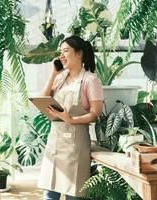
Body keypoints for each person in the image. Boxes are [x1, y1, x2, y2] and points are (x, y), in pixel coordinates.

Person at [37, 35, 103, 200]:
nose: (61, 55)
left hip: (75, 146)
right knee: (49, 195)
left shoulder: (91, 80)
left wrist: (71, 120)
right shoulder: (59, 78)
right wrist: (53, 73)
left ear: (79, 53)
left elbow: (95, 114)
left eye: (66, 51)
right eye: (61, 52)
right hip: (55, 142)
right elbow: (43, 99)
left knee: (74, 195)